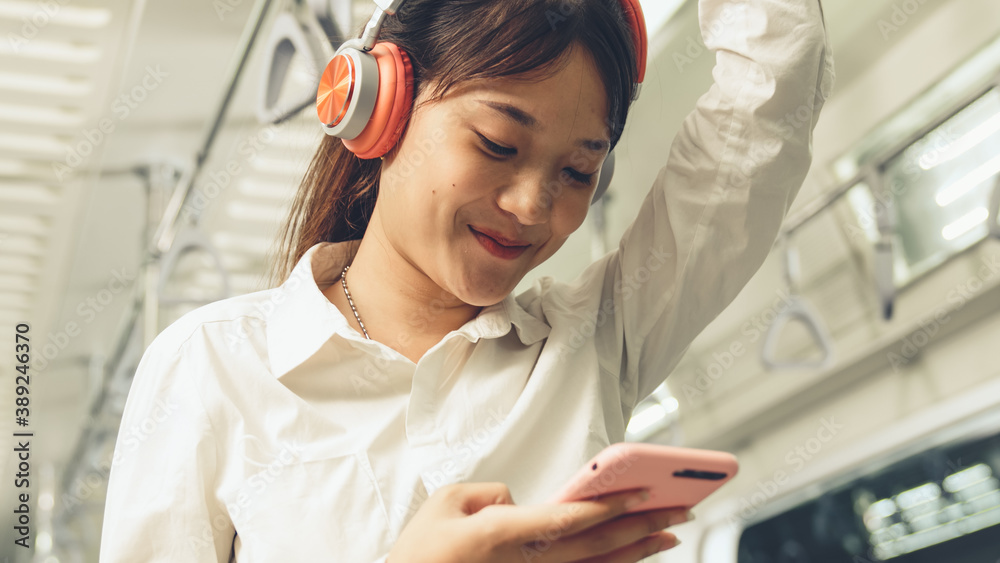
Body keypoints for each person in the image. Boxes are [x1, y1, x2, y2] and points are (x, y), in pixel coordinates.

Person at [99, 0, 834, 561]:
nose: (531, 207)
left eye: (578, 171)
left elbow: (776, 82)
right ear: (379, 107)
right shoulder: (213, 368)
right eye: (497, 143)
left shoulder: (599, 339)